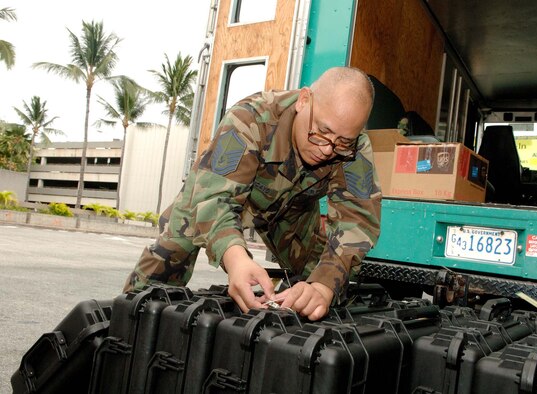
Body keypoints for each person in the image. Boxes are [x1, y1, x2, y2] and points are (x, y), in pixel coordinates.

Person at [123, 66, 382, 321]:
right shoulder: (251, 118)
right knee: (172, 250)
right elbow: (213, 199)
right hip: (223, 193)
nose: (328, 150)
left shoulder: (353, 146)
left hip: (293, 211)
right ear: (304, 100)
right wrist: (236, 260)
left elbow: (357, 221)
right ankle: (127, 320)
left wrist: (322, 289)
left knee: (325, 279)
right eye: (322, 132)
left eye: (343, 142)